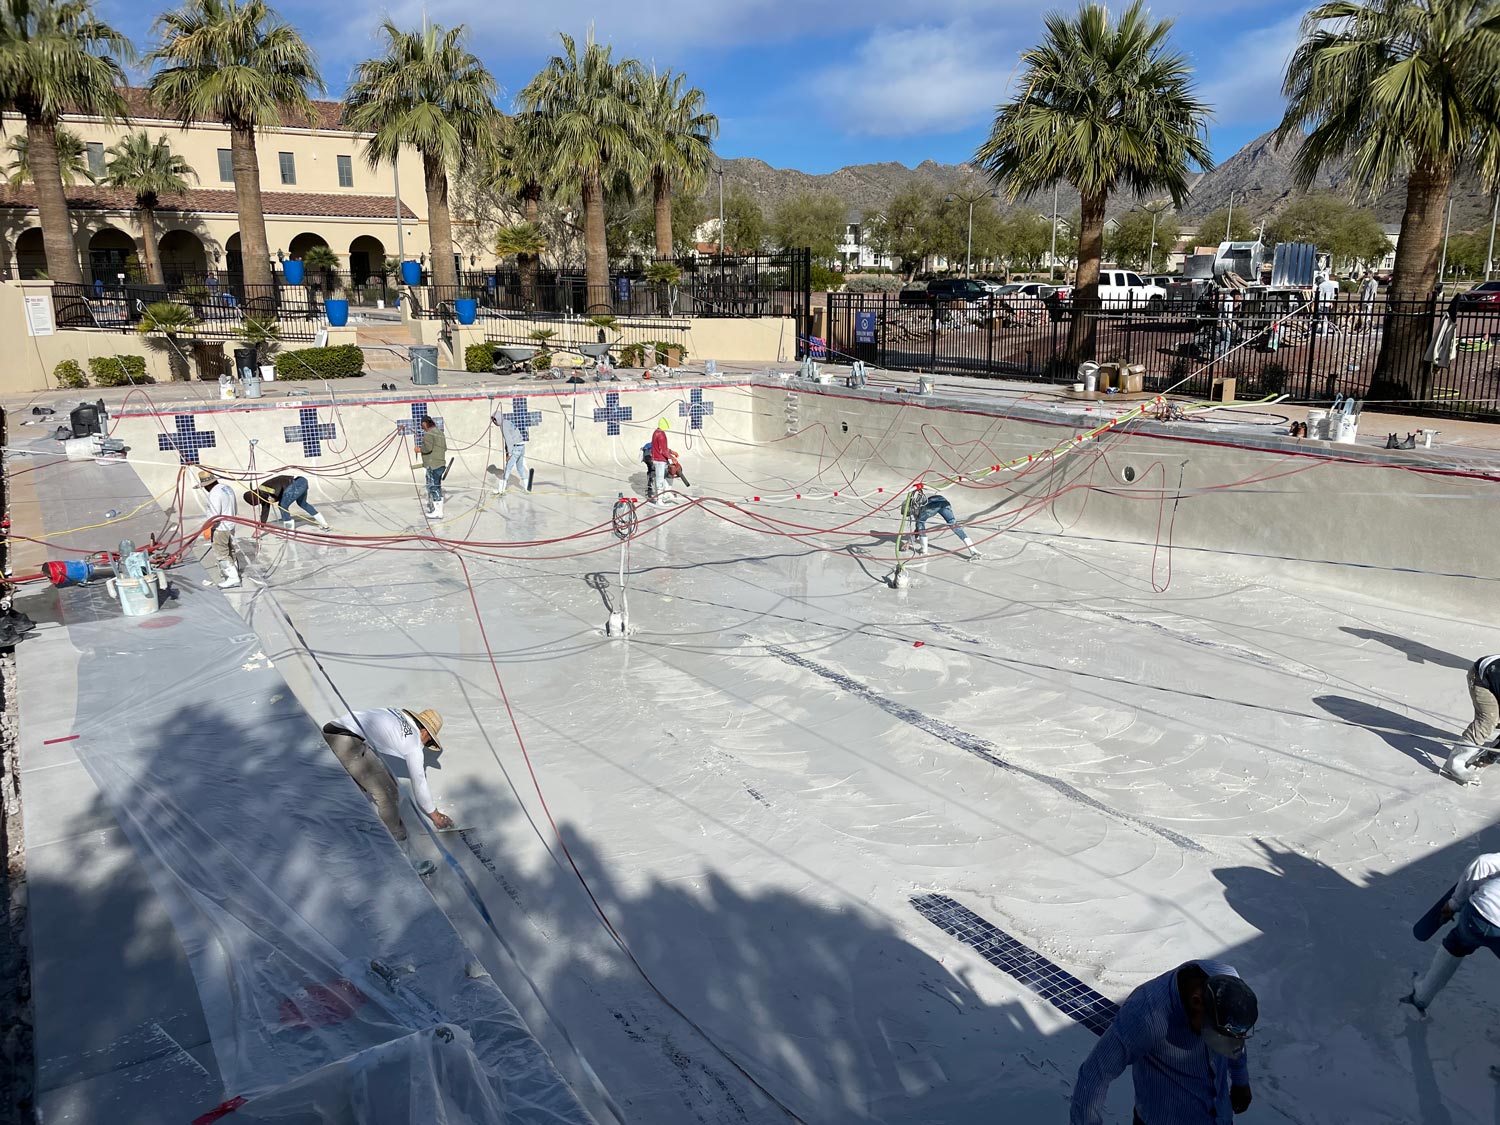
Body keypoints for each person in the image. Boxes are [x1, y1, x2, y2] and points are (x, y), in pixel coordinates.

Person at [1072, 960, 1258, 1125]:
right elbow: (1095, 1073)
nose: (1223, 1041)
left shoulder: (1227, 982)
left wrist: (1241, 1079)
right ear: (1196, 1001)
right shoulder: (1146, 1013)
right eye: (1215, 1034)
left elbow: (1233, 1033)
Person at [321, 707, 454, 872]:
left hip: (340, 731)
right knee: (387, 797)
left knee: (389, 787)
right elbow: (419, 782)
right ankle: (401, 859)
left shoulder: (400, 715)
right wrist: (435, 815)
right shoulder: (413, 741)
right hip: (345, 740)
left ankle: (364, 824)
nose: (427, 745)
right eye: (430, 742)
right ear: (425, 732)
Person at [1404, 852, 1500, 1013]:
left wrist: (1453, 904)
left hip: (1478, 912)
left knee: (1456, 944)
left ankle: (1422, 996)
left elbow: (1482, 863)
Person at [1443, 654, 1500, 784]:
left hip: (1495, 673)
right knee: (1487, 721)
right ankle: (1454, 764)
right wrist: (1490, 759)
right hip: (1482, 676)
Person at [904, 487, 982, 559]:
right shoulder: (920, 497)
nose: (912, 516)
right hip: (944, 502)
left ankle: (924, 550)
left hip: (932, 504)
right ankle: (973, 550)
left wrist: (908, 542)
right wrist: (908, 543)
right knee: (954, 525)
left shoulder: (916, 505)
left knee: (920, 523)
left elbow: (918, 529)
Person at [197, 468, 241, 589]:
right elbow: (235, 507)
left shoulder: (214, 493)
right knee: (230, 549)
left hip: (221, 527)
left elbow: (214, 514)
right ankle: (235, 571)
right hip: (231, 524)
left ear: (207, 485)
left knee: (221, 552)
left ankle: (232, 578)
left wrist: (206, 528)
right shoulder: (226, 488)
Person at [242, 474, 330, 533]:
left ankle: (289, 532)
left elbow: (277, 486)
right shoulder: (262, 497)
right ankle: (324, 524)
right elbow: (265, 512)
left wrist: (274, 497)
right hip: (302, 482)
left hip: (297, 483)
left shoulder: (263, 488)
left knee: (282, 505)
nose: (258, 504)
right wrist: (260, 528)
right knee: (303, 504)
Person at [491, 406, 529, 495]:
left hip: (515, 448)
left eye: (494, 420)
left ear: (498, 418)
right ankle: (527, 487)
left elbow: (509, 441)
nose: (494, 422)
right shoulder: (508, 422)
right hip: (521, 446)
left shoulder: (503, 426)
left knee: (508, 468)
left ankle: (501, 489)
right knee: (520, 468)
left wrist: (509, 454)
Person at [416, 415, 446, 519]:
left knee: (433, 487)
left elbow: (427, 448)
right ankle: (439, 510)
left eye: (422, 425)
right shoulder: (440, 432)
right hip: (441, 463)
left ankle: (438, 512)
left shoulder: (429, 434)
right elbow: (444, 448)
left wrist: (419, 449)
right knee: (437, 486)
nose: (422, 427)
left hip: (432, 465)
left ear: (424, 423)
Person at [648, 418, 671, 505]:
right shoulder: (661, 434)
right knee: (660, 479)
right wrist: (671, 457)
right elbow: (663, 450)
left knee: (661, 478)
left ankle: (664, 495)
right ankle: (659, 500)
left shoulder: (655, 432)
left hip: (656, 459)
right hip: (660, 460)